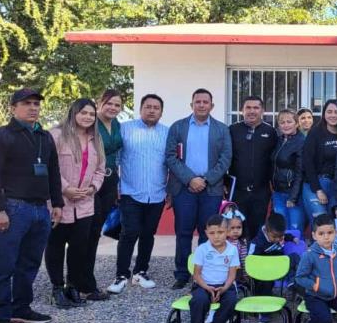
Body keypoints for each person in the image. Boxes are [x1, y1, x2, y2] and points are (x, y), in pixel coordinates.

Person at [0, 88, 63, 323]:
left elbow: (53, 171)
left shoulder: (44, 137)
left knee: (29, 263)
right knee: (4, 264)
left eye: (37, 104)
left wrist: (57, 203)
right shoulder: (1, 137)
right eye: (27, 103)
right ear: (12, 108)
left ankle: (21, 307)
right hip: (13, 208)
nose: (33, 108)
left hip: (41, 210)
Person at [165, 88, 233, 290]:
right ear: (191, 104)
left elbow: (226, 158)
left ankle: (204, 273)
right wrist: (190, 179)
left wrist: (205, 179)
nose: (201, 105)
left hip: (210, 189)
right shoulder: (178, 127)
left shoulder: (222, 129)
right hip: (184, 188)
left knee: (209, 234)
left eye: (205, 102)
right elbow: (170, 156)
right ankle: (182, 274)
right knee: (184, 232)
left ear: (212, 106)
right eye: (198, 102)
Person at [45, 98, 106, 308]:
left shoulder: (95, 139)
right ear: (74, 113)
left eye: (91, 114)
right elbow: (49, 167)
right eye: (84, 113)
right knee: (56, 245)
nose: (88, 117)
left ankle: (73, 285)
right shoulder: (56, 135)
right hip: (60, 202)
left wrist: (92, 188)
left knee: (79, 247)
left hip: (85, 203)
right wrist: (66, 189)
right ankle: (57, 288)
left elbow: (100, 170)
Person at [108, 94, 168, 294]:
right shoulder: (125, 130)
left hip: (157, 193)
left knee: (148, 234)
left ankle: (141, 272)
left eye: (156, 107)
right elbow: (115, 159)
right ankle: (121, 275)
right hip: (130, 192)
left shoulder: (167, 133)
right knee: (129, 232)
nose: (152, 110)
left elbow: (170, 162)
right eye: (148, 106)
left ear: (161, 111)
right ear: (140, 109)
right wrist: (115, 186)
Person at [86, 90, 123, 287]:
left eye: (117, 105)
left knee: (96, 231)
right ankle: (78, 280)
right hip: (91, 181)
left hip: (110, 181)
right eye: (109, 103)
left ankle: (88, 279)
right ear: (99, 102)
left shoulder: (116, 124)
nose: (113, 108)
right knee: (86, 231)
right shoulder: (90, 123)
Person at [228, 96, 278, 239]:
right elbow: (225, 158)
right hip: (237, 191)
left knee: (258, 229)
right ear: (241, 110)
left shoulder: (271, 132)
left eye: (256, 108)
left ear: (262, 110)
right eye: (248, 108)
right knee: (237, 229)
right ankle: (238, 260)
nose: (252, 111)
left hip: (261, 192)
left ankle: (255, 259)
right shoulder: (232, 130)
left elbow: (275, 160)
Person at [188, 215, 240, 323]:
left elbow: (232, 274)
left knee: (231, 301)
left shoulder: (232, 250)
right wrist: (207, 288)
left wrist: (223, 289)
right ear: (206, 233)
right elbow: (197, 274)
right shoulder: (202, 249)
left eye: (220, 232)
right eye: (212, 233)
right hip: (204, 285)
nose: (216, 236)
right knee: (199, 300)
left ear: (227, 231)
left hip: (225, 286)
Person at [302, 99, 337, 220]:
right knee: (321, 222)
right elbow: (308, 162)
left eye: (336, 112)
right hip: (316, 183)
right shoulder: (315, 133)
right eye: (329, 111)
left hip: (336, 185)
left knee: (333, 223)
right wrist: (318, 189)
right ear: (324, 114)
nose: (333, 115)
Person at [270, 109, 305, 232]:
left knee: (294, 230)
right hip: (278, 192)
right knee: (281, 230)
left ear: (296, 123)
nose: (285, 125)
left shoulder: (301, 142)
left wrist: (293, 197)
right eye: (282, 122)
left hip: (292, 194)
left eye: (289, 122)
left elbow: (300, 172)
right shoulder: (279, 140)